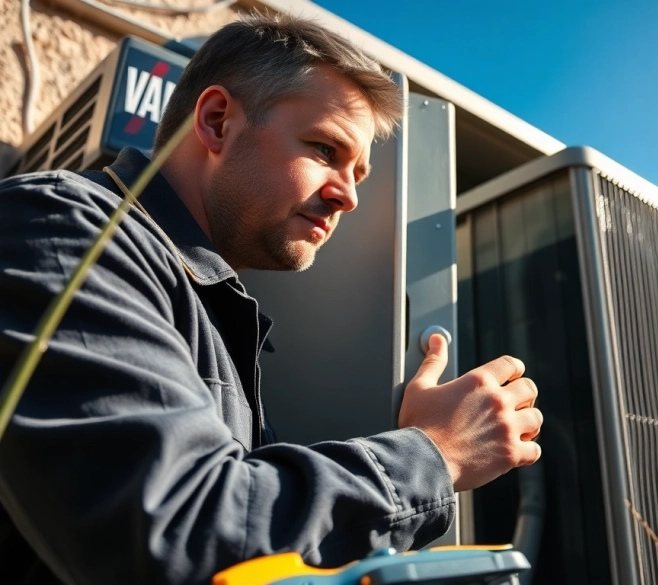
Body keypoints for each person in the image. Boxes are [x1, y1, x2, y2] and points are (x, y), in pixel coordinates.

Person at [0, 14, 542, 585]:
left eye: (359, 172)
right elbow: (181, 535)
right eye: (325, 149)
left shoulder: (208, 306)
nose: (349, 197)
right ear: (215, 121)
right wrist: (432, 453)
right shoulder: (63, 227)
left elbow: (260, 554)